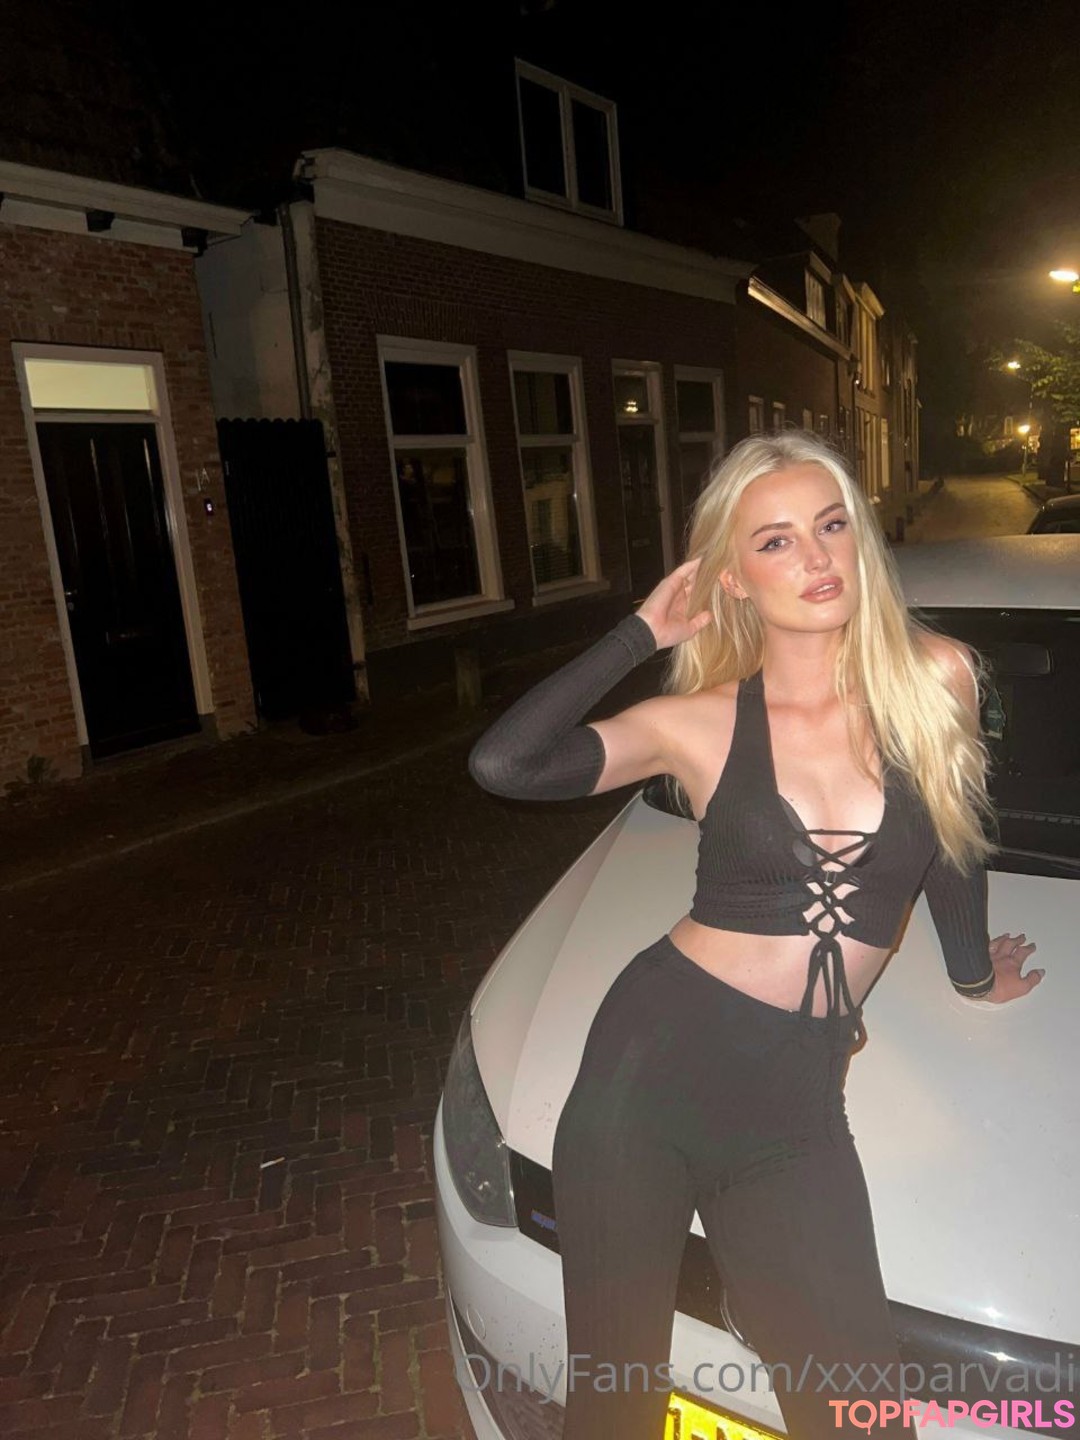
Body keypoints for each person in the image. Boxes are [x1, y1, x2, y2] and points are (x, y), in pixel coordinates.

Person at [468, 430, 1043, 1440]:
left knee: (861, 1418)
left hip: (793, 1107)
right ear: (731, 576)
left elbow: (954, 842)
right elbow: (505, 765)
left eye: (831, 526)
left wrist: (969, 974)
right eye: (775, 542)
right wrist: (638, 634)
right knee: (616, 1408)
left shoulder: (938, 676)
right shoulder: (698, 721)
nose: (816, 559)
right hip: (647, 1075)